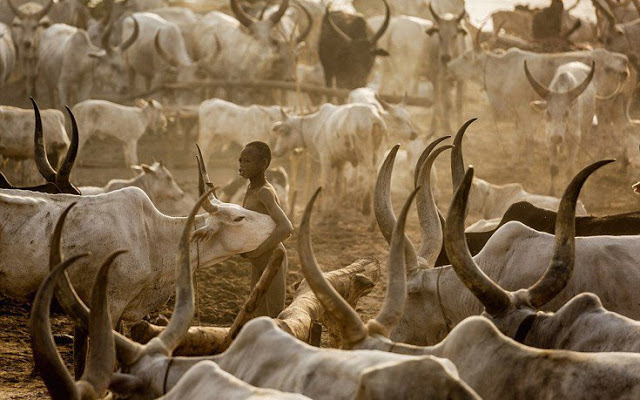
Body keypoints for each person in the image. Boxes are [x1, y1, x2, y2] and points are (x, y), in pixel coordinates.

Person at [239, 141, 293, 317]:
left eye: (247, 161)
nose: (241, 166)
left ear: (263, 164)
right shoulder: (250, 189)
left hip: (273, 259)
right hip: (259, 261)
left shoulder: (264, 192)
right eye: (240, 161)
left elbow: (286, 227)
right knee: (256, 313)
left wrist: (257, 250)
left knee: (275, 315)